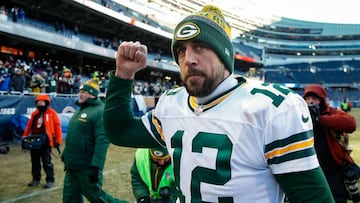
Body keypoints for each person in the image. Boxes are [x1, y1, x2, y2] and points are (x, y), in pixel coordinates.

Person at [103, 5, 334, 202]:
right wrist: (123, 75)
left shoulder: (272, 107)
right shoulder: (172, 104)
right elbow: (119, 132)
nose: (189, 59)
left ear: (224, 54)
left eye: (200, 47)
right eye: (181, 51)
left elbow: (312, 197)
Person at [61, 79, 128, 203]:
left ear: (92, 94)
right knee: (69, 199)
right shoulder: (80, 111)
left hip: (86, 166)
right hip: (72, 166)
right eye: (80, 91)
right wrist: (66, 154)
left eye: (84, 92)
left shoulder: (99, 111)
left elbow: (102, 140)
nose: (81, 94)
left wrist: (96, 166)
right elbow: (73, 136)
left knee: (98, 199)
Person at [303, 84, 359, 203]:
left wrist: (320, 119)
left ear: (322, 100)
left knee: (336, 199)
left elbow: (351, 124)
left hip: (333, 170)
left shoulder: (331, 113)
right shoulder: (301, 117)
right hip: (311, 170)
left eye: (314, 99)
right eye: (307, 99)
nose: (310, 102)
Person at [22, 94, 62, 188]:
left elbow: (57, 127)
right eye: (38, 102)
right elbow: (29, 126)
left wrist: (58, 140)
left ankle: (50, 180)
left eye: (42, 102)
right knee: (35, 162)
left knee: (47, 162)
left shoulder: (52, 113)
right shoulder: (34, 114)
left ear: (46, 103)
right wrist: (24, 136)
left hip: (46, 142)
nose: (40, 104)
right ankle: (36, 179)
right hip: (34, 141)